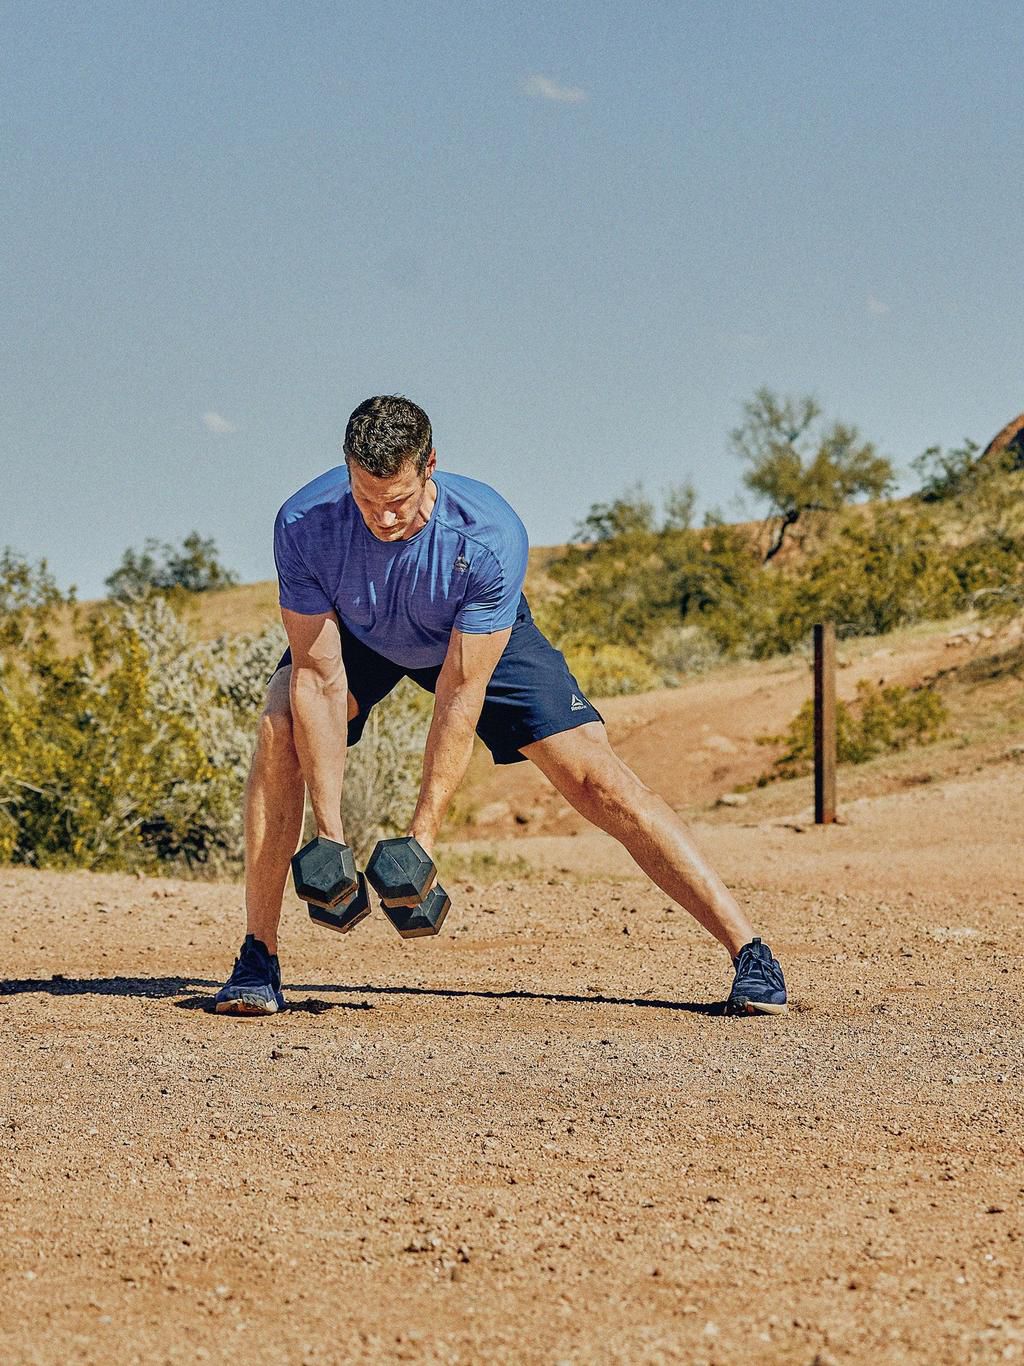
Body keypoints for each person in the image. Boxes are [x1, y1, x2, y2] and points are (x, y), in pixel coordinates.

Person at [214, 395, 787, 1017]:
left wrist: (421, 839)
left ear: (430, 465)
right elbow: (320, 678)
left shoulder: (487, 535)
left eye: (398, 500)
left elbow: (460, 694)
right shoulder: (305, 524)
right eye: (367, 499)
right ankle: (257, 958)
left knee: (597, 779)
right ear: (347, 470)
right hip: (361, 633)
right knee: (280, 724)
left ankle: (749, 952)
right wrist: (329, 834)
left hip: (473, 639)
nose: (383, 517)